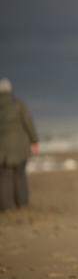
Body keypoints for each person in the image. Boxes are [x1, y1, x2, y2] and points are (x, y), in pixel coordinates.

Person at [0, 78, 39, 211]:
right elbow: (28, 123)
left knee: (5, 177)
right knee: (20, 175)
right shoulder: (18, 104)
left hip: (3, 149)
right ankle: (22, 204)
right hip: (19, 146)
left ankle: (6, 206)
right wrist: (34, 141)